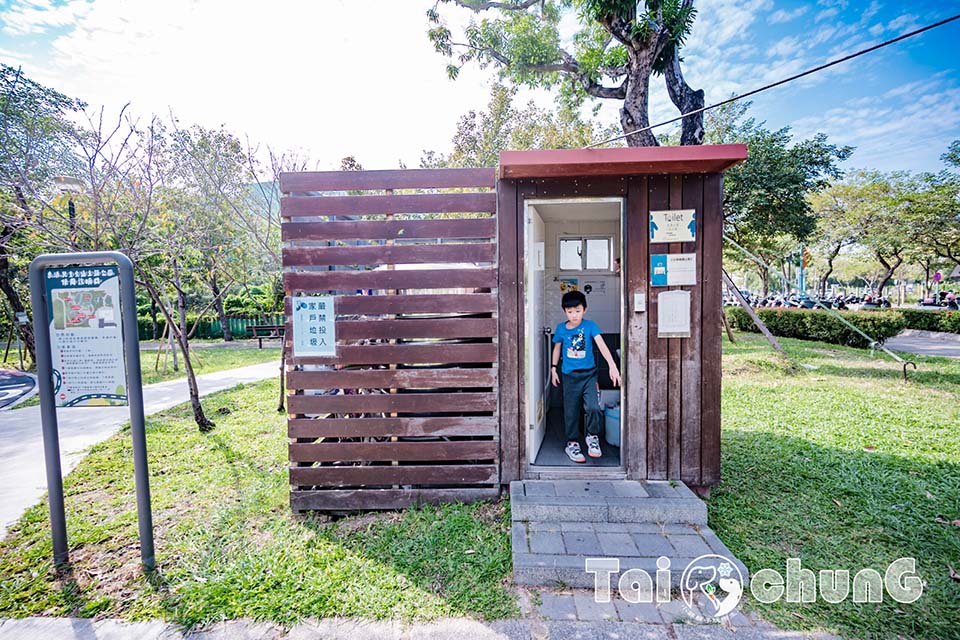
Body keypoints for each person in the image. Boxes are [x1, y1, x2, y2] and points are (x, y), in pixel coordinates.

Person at [550, 291, 621, 463]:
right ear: (564, 311)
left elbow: (602, 345)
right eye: (570, 311)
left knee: (593, 407)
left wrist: (612, 365)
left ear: (585, 310)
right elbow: (557, 349)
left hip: (589, 375)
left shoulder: (590, 326)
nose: (574, 315)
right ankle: (572, 443)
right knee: (571, 411)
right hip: (569, 377)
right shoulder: (561, 328)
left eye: (577, 311)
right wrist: (553, 369)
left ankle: (592, 437)